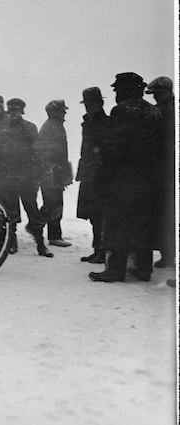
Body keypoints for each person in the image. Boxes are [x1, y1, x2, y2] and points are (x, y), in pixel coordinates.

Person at [89, 72, 161, 283]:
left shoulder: (122, 111)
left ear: (127, 90)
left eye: (118, 89)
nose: (116, 93)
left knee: (116, 223)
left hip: (124, 179)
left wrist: (103, 175)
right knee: (142, 224)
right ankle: (144, 269)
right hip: (149, 179)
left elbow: (114, 148)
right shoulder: (154, 111)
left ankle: (116, 270)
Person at [0, 98, 52, 257]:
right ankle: (11, 243)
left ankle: (41, 244)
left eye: (16, 111)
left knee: (33, 211)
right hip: (8, 177)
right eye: (11, 111)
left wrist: (36, 174)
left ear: (22, 111)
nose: (13, 114)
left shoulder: (30, 128)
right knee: (11, 213)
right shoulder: (1, 129)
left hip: (27, 178)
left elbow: (38, 152)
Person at [75, 87, 109, 263]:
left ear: (100, 103)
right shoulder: (87, 123)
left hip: (101, 175)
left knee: (101, 215)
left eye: (92, 104)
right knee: (94, 215)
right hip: (89, 173)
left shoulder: (106, 123)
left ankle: (103, 251)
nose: (88, 107)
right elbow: (85, 151)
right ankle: (97, 250)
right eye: (86, 104)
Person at [145, 76, 175, 269]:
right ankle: (168, 254)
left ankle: (169, 255)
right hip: (163, 171)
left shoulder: (166, 112)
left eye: (157, 93)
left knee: (166, 215)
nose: (155, 97)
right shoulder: (164, 110)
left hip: (165, 172)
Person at [35, 99, 73, 248]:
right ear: (54, 112)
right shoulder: (51, 127)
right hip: (51, 173)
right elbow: (44, 153)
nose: (64, 113)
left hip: (55, 172)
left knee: (54, 203)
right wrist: (53, 171)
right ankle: (49, 233)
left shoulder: (55, 126)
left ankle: (43, 228)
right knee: (53, 203)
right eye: (62, 110)